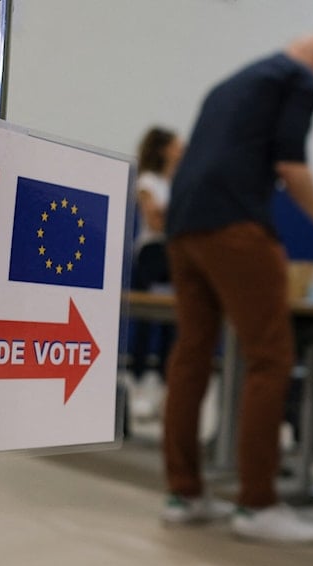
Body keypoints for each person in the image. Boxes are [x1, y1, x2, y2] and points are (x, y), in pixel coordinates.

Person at [160, 34, 313, 544]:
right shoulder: (299, 77)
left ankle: (183, 493)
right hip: (235, 224)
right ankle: (257, 503)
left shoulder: (227, 85)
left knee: (190, 356)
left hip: (183, 227)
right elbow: (292, 166)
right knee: (270, 357)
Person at [127, 126, 183, 422]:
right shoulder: (148, 181)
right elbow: (155, 220)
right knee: (147, 323)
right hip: (152, 256)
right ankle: (136, 387)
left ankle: (164, 391)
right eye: (177, 145)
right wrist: (174, 218)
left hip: (175, 257)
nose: (182, 148)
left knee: (172, 328)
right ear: (163, 149)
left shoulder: (177, 185)